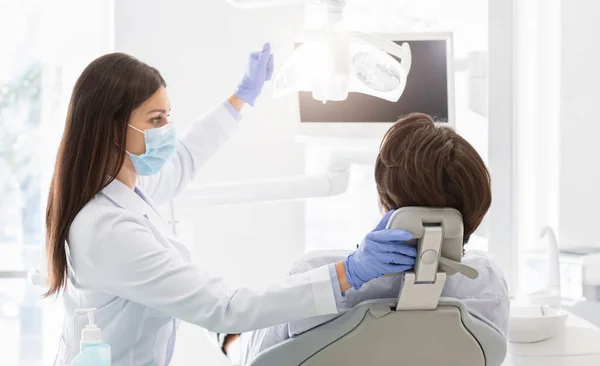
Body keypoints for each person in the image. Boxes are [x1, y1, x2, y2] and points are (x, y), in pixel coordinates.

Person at [46, 43, 420, 366]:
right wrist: (349, 271)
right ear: (113, 129)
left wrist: (243, 95)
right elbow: (226, 308)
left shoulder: (123, 192)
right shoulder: (108, 229)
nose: (167, 131)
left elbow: (188, 155)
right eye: (155, 119)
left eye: (168, 117)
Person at [217, 113, 510, 366]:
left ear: (386, 201)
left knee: (232, 336)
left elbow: (256, 359)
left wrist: (230, 337)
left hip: (247, 340)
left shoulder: (317, 273)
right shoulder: (486, 282)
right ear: (475, 207)